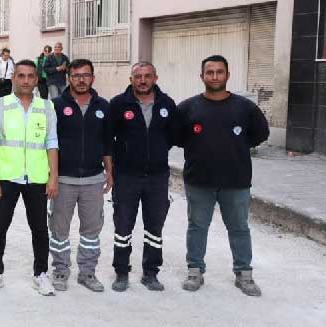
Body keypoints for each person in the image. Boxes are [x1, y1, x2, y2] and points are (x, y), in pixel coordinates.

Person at [176, 55, 269, 296]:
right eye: (210, 72)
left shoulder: (245, 108)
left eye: (219, 72)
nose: (215, 76)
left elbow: (260, 133)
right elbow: (177, 136)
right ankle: (195, 270)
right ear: (202, 76)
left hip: (236, 181)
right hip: (199, 180)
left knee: (239, 228)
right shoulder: (187, 108)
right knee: (197, 227)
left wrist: (235, 146)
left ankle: (244, 274)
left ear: (228, 75)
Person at [0, 60, 60, 296]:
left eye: (30, 76)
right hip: (7, 177)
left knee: (39, 228)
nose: (26, 80)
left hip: (37, 177)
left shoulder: (46, 106)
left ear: (36, 80)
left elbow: (52, 143)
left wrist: (53, 177)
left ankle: (41, 274)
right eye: (21, 76)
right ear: (13, 78)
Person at [109, 61, 179, 292]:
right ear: (131, 79)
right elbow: (108, 138)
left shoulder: (167, 104)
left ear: (155, 78)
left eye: (147, 76)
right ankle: (121, 272)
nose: (142, 80)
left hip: (157, 177)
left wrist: (156, 152)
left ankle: (150, 273)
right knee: (123, 226)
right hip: (126, 176)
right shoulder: (119, 104)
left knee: (154, 228)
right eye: (138, 76)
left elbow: (172, 136)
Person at [48, 59, 112, 293]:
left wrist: (109, 172)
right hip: (63, 180)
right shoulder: (56, 105)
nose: (81, 80)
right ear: (69, 78)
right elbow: (50, 143)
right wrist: (52, 176)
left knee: (91, 231)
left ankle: (87, 272)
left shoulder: (103, 106)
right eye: (76, 76)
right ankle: (60, 269)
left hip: (93, 180)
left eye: (85, 75)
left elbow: (107, 143)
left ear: (92, 78)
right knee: (59, 229)